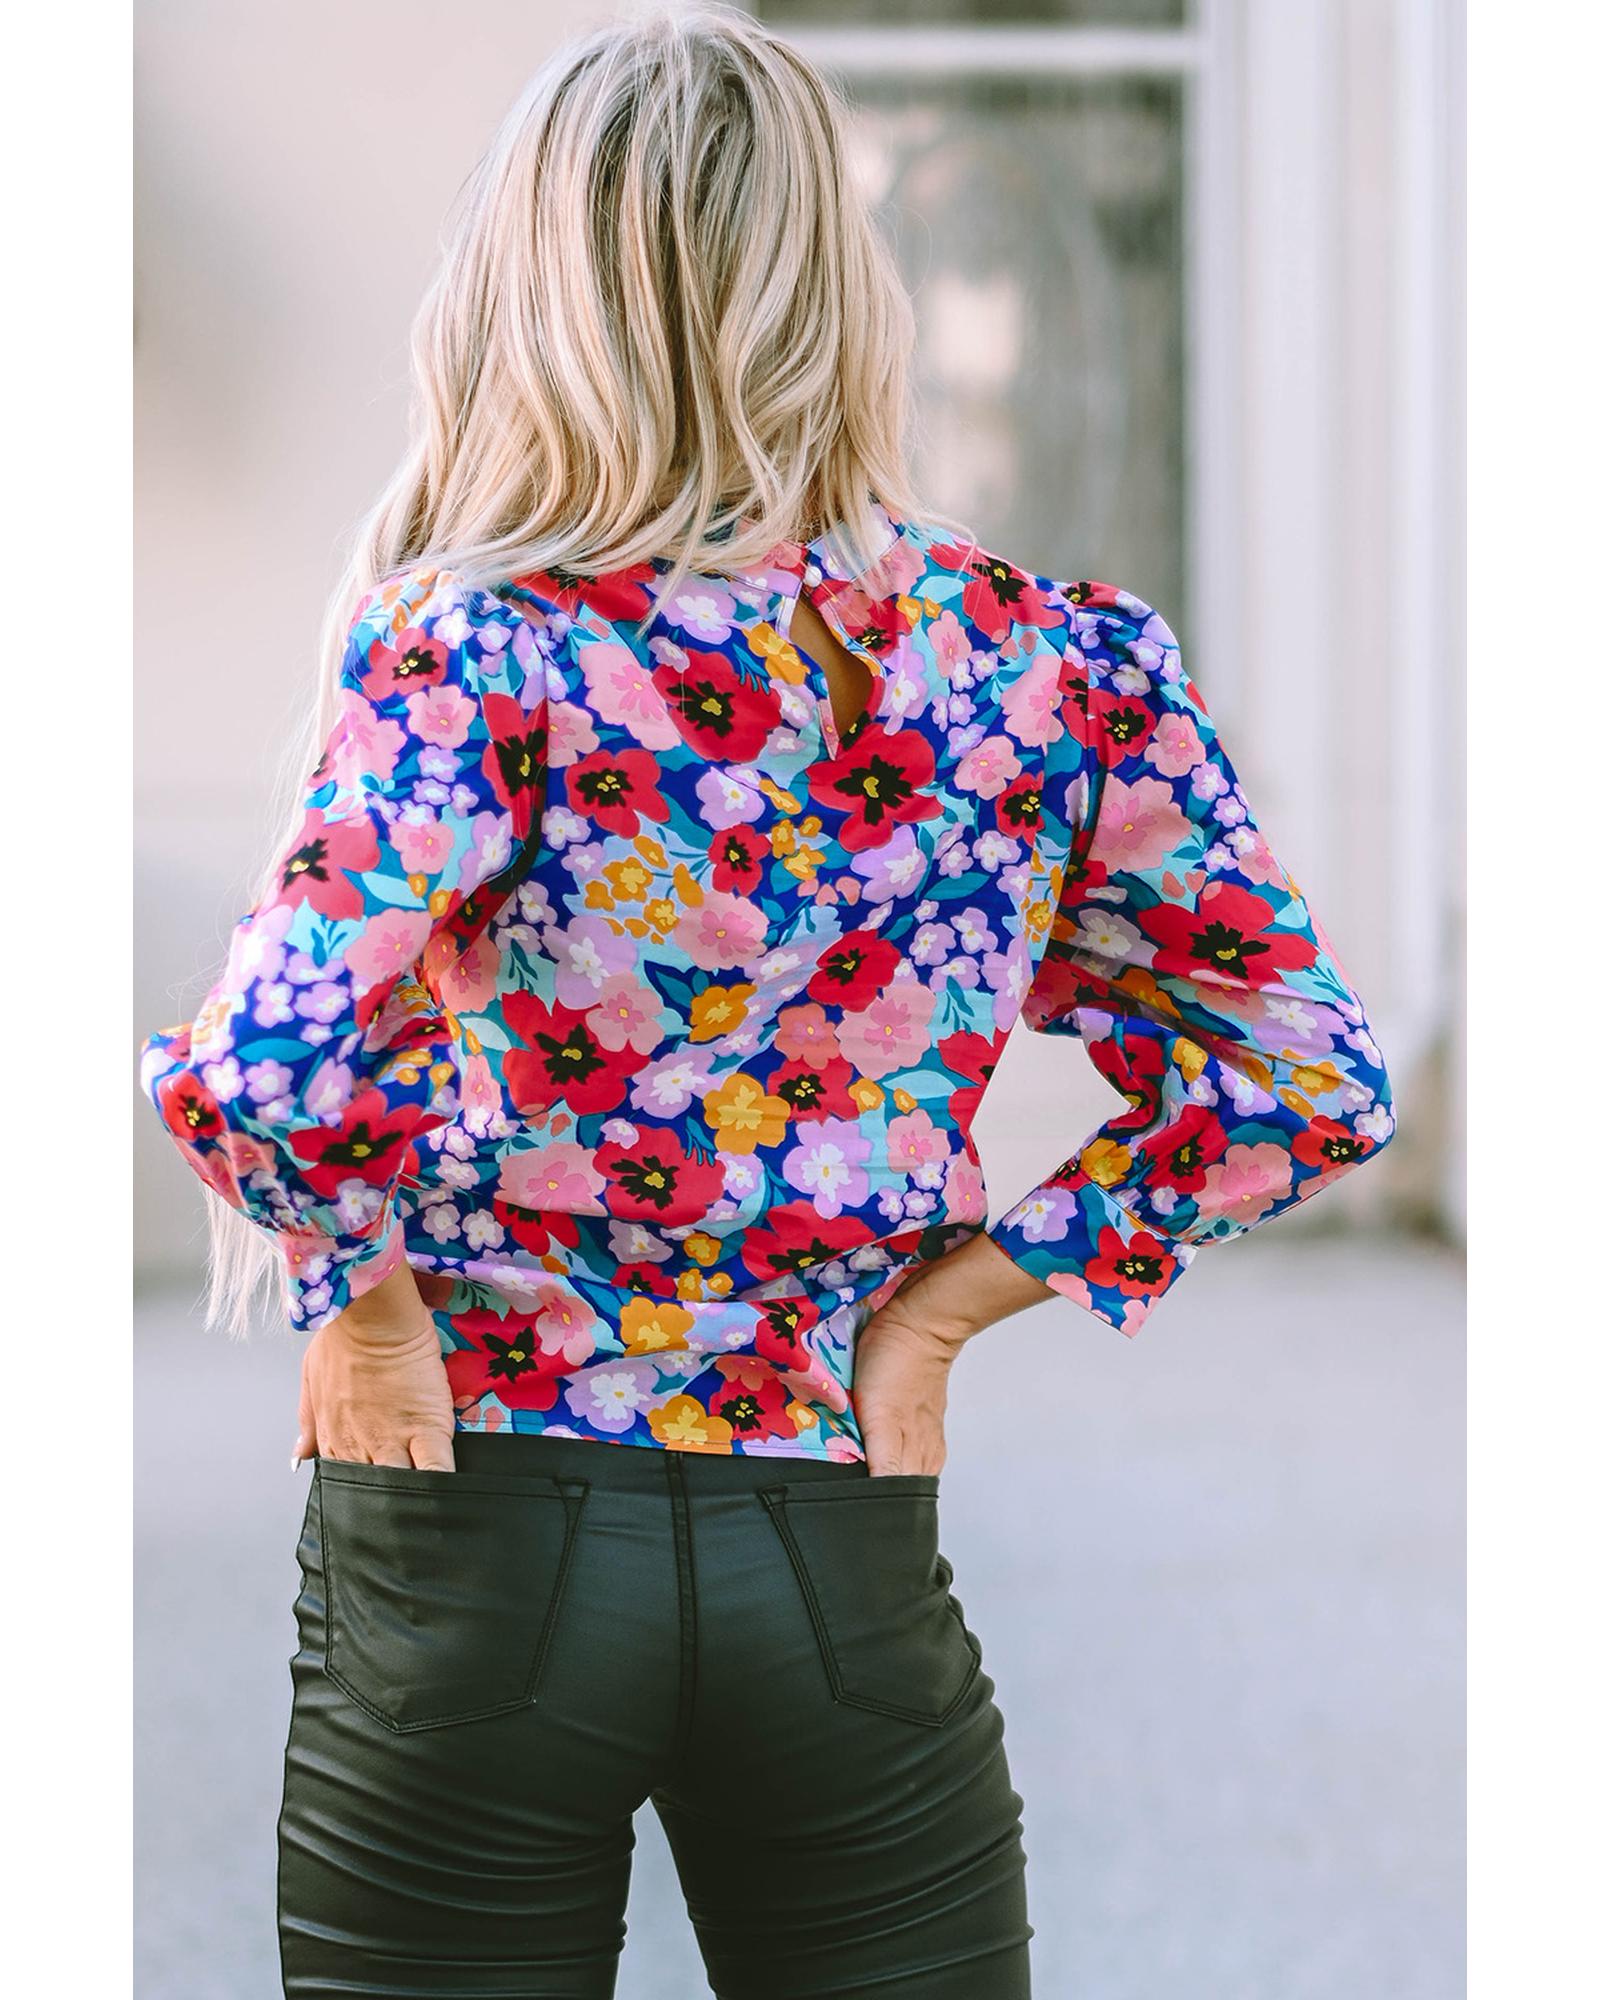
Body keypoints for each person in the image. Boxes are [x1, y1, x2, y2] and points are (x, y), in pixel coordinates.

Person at [139, 8, 1397, 1996]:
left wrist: (365, 1310)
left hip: (469, 1519)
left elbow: (266, 1079)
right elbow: (1305, 1078)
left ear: (529, 289)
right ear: (841, 285)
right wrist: (941, 1312)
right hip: (834, 1524)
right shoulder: (1047, 666)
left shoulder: (475, 649)